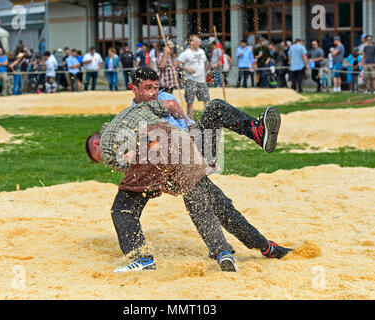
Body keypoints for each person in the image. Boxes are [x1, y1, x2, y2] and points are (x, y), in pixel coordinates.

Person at [85, 67, 292, 273]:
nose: (153, 92)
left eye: (155, 87)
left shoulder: (154, 103)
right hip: (175, 158)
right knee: (216, 202)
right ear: (134, 90)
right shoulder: (135, 113)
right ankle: (262, 247)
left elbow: (170, 110)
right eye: (148, 88)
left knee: (216, 108)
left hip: (186, 147)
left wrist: (191, 127)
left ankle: (257, 131)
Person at [175, 35, 210, 119]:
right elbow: (176, 63)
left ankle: (207, 119)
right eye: (197, 41)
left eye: (199, 41)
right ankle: (191, 121)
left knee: (206, 100)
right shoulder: (186, 53)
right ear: (191, 43)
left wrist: (211, 66)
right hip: (190, 80)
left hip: (202, 80)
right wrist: (186, 68)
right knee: (190, 101)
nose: (199, 43)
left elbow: (206, 63)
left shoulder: (201, 51)